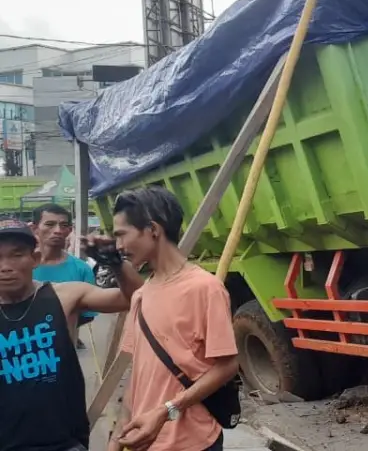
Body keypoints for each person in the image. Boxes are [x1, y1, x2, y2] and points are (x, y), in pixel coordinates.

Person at [109, 186, 239, 451]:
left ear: (153, 230)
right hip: (145, 441)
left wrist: (167, 410)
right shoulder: (141, 295)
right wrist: (117, 436)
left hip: (193, 442)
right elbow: (139, 375)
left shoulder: (205, 288)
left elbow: (227, 366)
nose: (118, 246)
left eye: (122, 235)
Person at [0, 219, 142, 451]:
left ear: (34, 259)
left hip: (64, 442)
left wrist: (115, 262)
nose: (5, 266)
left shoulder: (63, 296)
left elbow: (135, 298)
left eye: (16, 255)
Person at [31, 203, 98, 347]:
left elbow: (87, 315)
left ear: (69, 230)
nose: (57, 230)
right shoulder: (19, 267)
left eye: (63, 225)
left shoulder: (82, 269)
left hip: (65, 354)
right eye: (50, 224)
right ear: (34, 228)